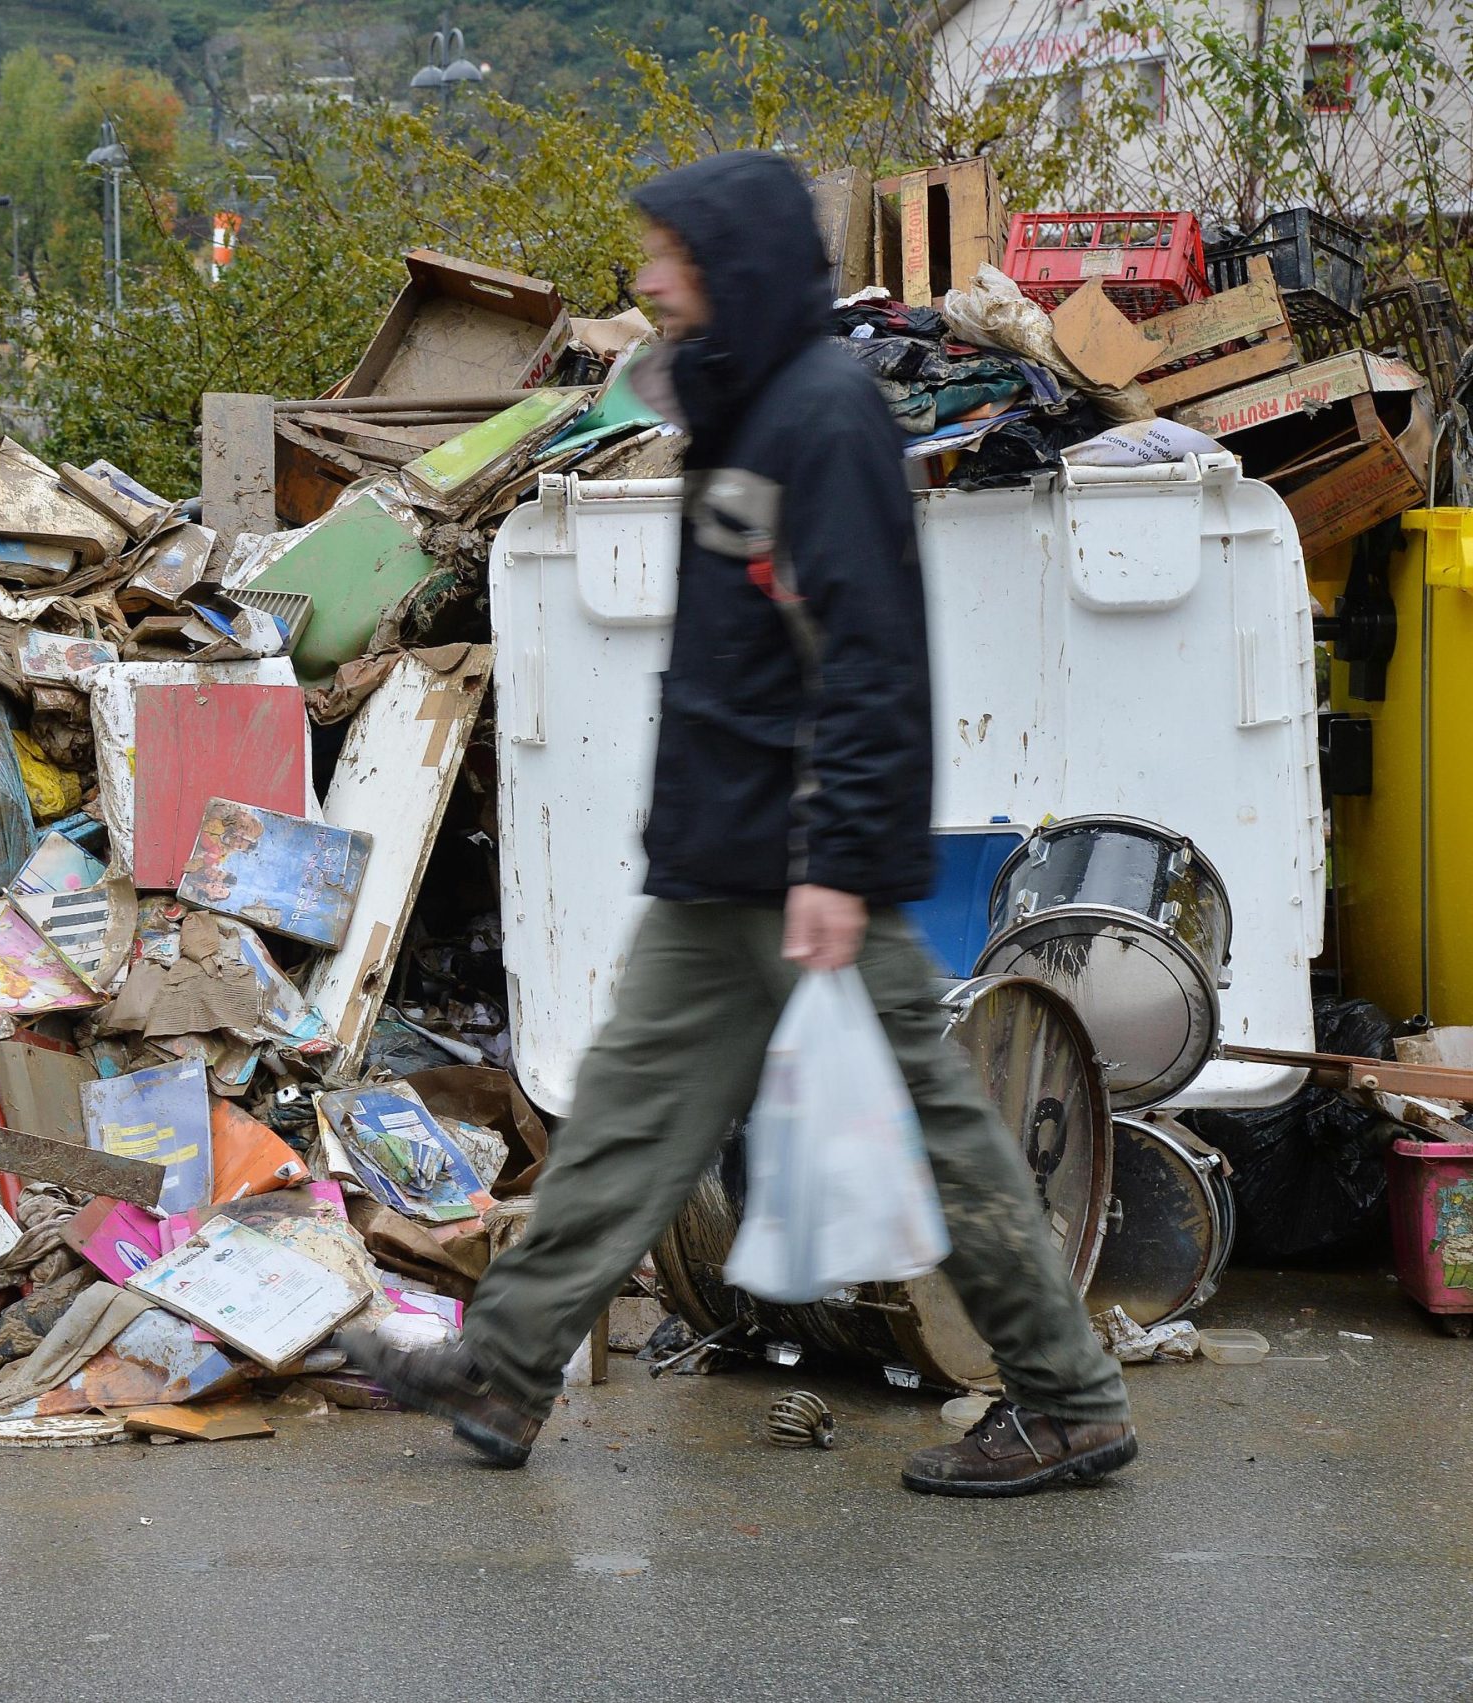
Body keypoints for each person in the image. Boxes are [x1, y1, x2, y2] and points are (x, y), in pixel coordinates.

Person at [341, 149, 1136, 1498]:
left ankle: (1066, 1397)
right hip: (725, 860)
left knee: (936, 1124)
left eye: (672, 260)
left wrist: (836, 864)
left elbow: (872, 656)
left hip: (800, 871)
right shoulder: (747, 407)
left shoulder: (823, 418)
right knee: (631, 1122)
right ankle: (509, 1362)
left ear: (736, 271)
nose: (648, 282)